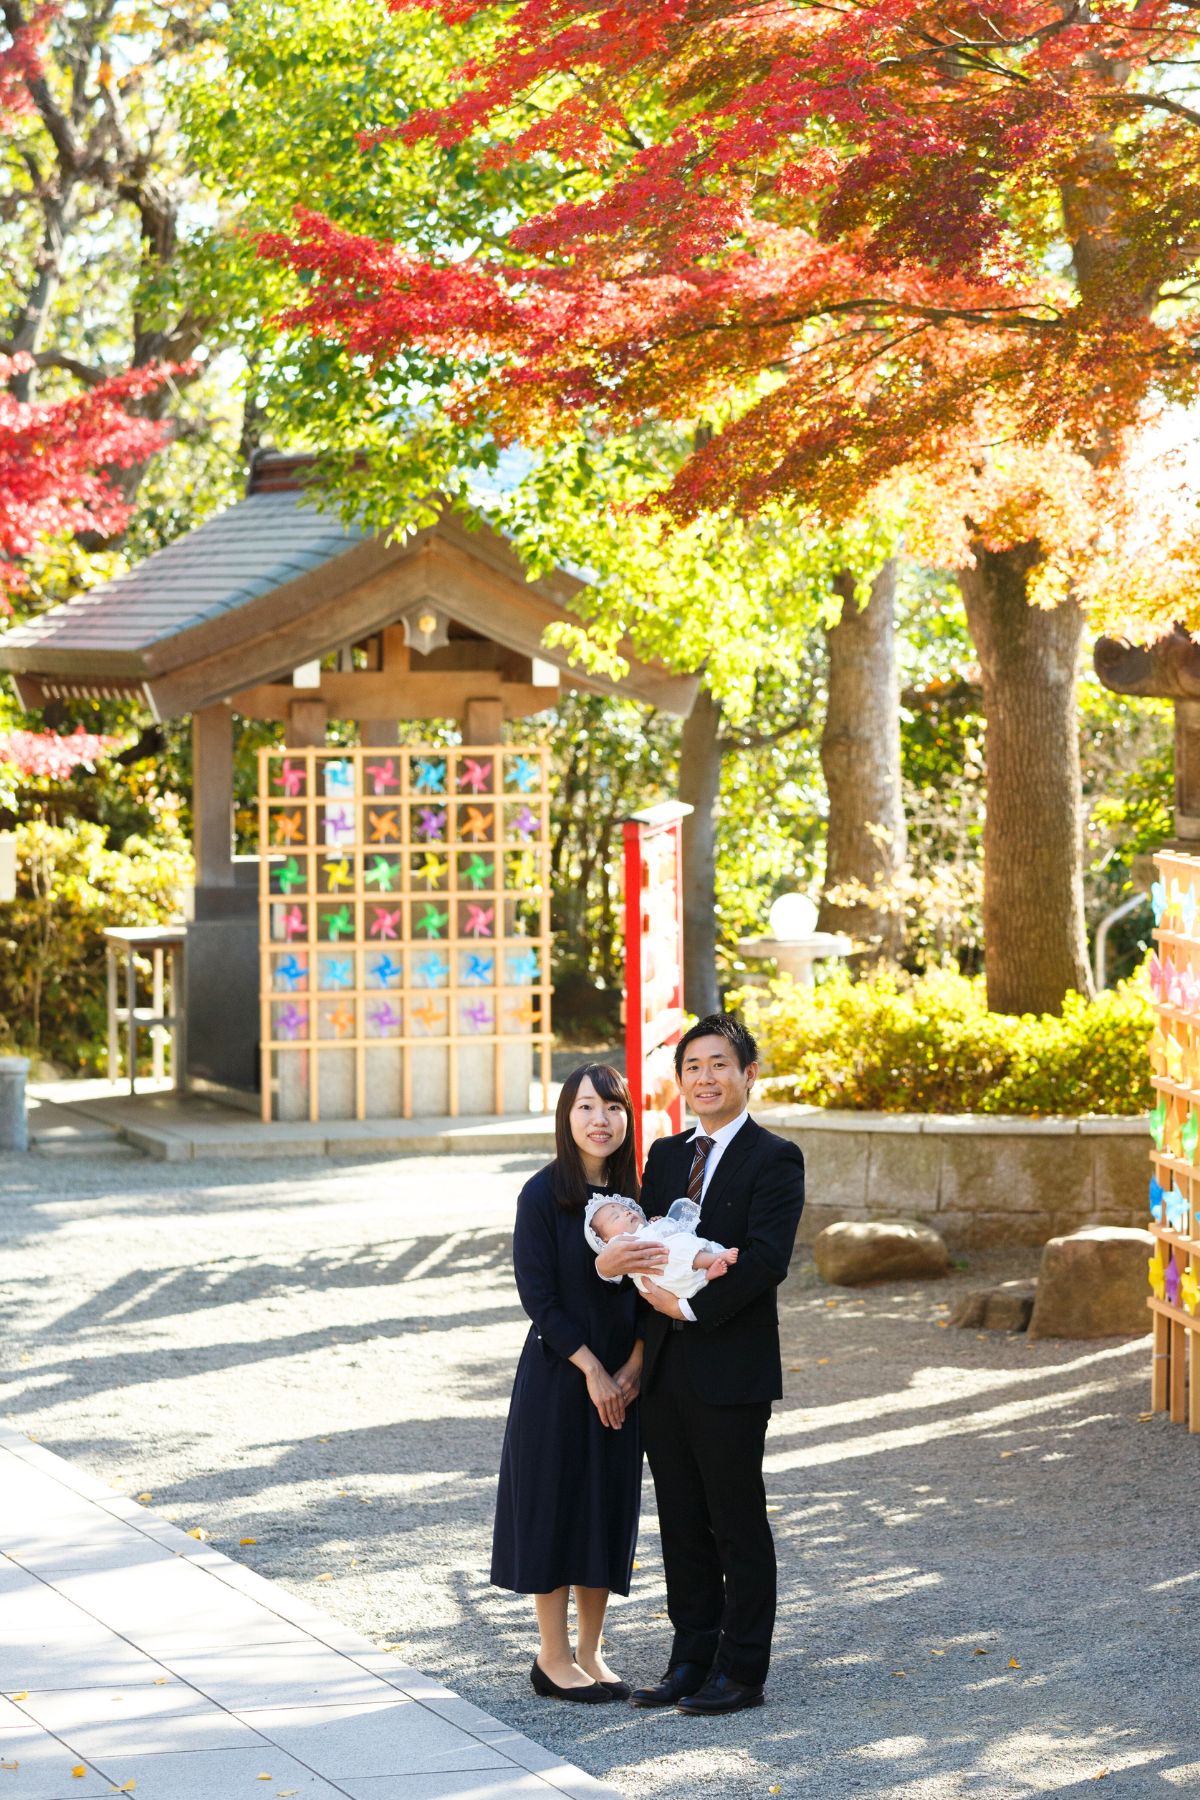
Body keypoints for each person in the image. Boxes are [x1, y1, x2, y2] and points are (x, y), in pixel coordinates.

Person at [596, 1013, 805, 1717]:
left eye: (719, 1065)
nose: (705, 1078)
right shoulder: (661, 1155)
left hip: (730, 1365)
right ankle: (690, 1659)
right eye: (692, 1067)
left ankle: (742, 1670)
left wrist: (687, 1309)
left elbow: (767, 1262)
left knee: (735, 1518)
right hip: (663, 1369)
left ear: (748, 1075)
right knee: (681, 1520)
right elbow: (644, 1243)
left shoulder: (775, 1157)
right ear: (680, 1079)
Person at [491, 1063, 662, 1704]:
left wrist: (634, 1367)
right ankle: (552, 1655)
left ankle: (592, 1651)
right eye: (587, 1107)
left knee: (605, 1509)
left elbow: (656, 1293)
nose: (601, 1120)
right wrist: (593, 1370)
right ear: (567, 1118)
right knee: (556, 1508)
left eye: (613, 1108)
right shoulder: (541, 1195)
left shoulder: (639, 1199)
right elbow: (539, 1298)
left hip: (626, 1381)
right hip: (561, 1378)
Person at [584, 1195, 740, 1299]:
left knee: (683, 1243)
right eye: (615, 1217)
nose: (626, 1213)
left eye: (626, 1209)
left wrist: (661, 1223)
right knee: (677, 1250)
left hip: (677, 1274)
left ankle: (706, 1273)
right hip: (663, 1272)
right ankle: (713, 1259)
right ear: (604, 1240)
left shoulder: (646, 1228)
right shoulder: (621, 1244)